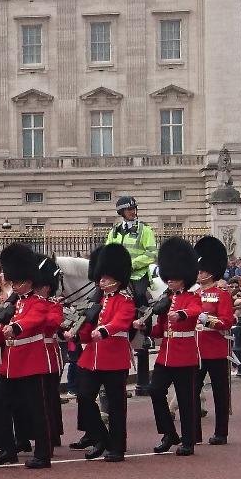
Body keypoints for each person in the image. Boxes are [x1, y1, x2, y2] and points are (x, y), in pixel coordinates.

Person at [0, 245, 60, 469]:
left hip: (31, 362)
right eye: (14, 282)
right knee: (0, 406)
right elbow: (4, 329)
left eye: (18, 282)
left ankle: (43, 453)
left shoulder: (39, 302)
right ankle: (7, 448)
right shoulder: (15, 303)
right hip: (11, 363)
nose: (15, 286)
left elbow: (34, 319)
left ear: (29, 280)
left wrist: (15, 327)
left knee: (37, 410)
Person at [72, 244, 135, 462]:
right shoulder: (98, 301)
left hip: (114, 357)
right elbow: (88, 326)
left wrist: (104, 331)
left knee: (116, 405)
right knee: (84, 397)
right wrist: (76, 333)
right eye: (101, 277)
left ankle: (117, 446)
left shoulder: (126, 301)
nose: (101, 281)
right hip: (92, 357)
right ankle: (101, 437)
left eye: (106, 278)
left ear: (117, 278)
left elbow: (121, 322)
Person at [147, 238, 204, 457]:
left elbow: (196, 310)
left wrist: (181, 314)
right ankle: (169, 433)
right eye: (168, 277)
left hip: (185, 353)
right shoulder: (166, 298)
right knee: (155, 391)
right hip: (166, 354)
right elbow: (159, 329)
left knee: (186, 399)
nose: (170, 280)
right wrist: (145, 327)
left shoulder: (192, 296)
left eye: (174, 277)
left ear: (184, 278)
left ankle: (188, 441)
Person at [105, 196, 157, 394]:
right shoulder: (114, 231)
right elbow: (109, 251)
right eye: (129, 210)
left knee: (141, 298)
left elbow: (151, 254)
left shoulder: (145, 230)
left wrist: (132, 264)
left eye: (134, 209)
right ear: (121, 212)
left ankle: (146, 335)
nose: (132, 212)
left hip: (137, 274)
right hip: (118, 275)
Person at [193, 237, 236, 446]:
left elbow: (227, 321)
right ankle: (194, 432)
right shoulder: (193, 294)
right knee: (192, 392)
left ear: (210, 273)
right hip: (196, 350)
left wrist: (208, 321)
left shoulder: (221, 295)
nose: (199, 273)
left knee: (220, 394)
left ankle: (221, 433)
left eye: (202, 271)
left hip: (216, 349)